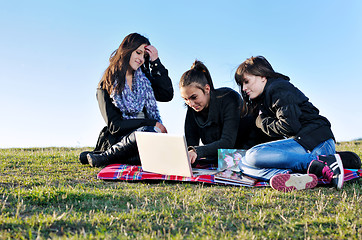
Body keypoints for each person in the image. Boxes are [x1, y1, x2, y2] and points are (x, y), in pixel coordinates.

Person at [234, 56, 344, 191]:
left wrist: (261, 122)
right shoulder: (264, 99)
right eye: (241, 84)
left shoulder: (278, 88)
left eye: (246, 81)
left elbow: (289, 125)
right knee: (245, 163)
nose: (244, 88)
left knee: (252, 155)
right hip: (306, 145)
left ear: (262, 76)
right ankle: (289, 176)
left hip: (315, 141)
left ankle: (321, 163)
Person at [80, 33, 173, 167]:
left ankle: (102, 156)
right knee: (146, 133)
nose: (141, 59)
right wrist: (152, 123)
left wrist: (156, 62)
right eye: (138, 53)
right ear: (127, 50)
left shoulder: (145, 81)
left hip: (148, 138)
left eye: (144, 56)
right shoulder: (106, 85)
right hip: (121, 139)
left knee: (160, 150)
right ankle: (104, 157)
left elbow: (166, 94)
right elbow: (115, 126)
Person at [179, 60, 257, 166]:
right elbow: (190, 145)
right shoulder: (192, 109)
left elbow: (227, 142)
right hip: (217, 158)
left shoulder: (229, 98)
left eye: (194, 97)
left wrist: (196, 151)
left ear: (207, 89)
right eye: (185, 99)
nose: (191, 103)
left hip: (246, 154)